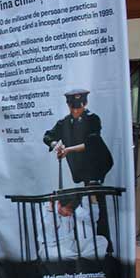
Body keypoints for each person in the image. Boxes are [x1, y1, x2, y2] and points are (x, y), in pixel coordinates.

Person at [43, 89, 113, 252]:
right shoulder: (64, 122)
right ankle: (76, 247)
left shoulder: (93, 119)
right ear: (68, 105)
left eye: (79, 107)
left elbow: (92, 141)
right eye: (72, 107)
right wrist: (56, 145)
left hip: (95, 168)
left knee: (96, 207)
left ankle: (105, 248)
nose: (75, 111)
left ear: (85, 104)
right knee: (75, 210)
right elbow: (48, 137)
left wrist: (68, 149)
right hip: (78, 172)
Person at [37, 195, 108, 261]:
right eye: (68, 210)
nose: (70, 214)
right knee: (62, 254)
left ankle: (82, 258)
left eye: (72, 211)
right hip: (51, 247)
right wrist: (51, 211)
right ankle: (84, 258)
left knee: (101, 240)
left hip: (70, 245)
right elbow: (49, 231)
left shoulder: (72, 207)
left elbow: (91, 219)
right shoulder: (46, 210)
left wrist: (93, 200)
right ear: (58, 204)